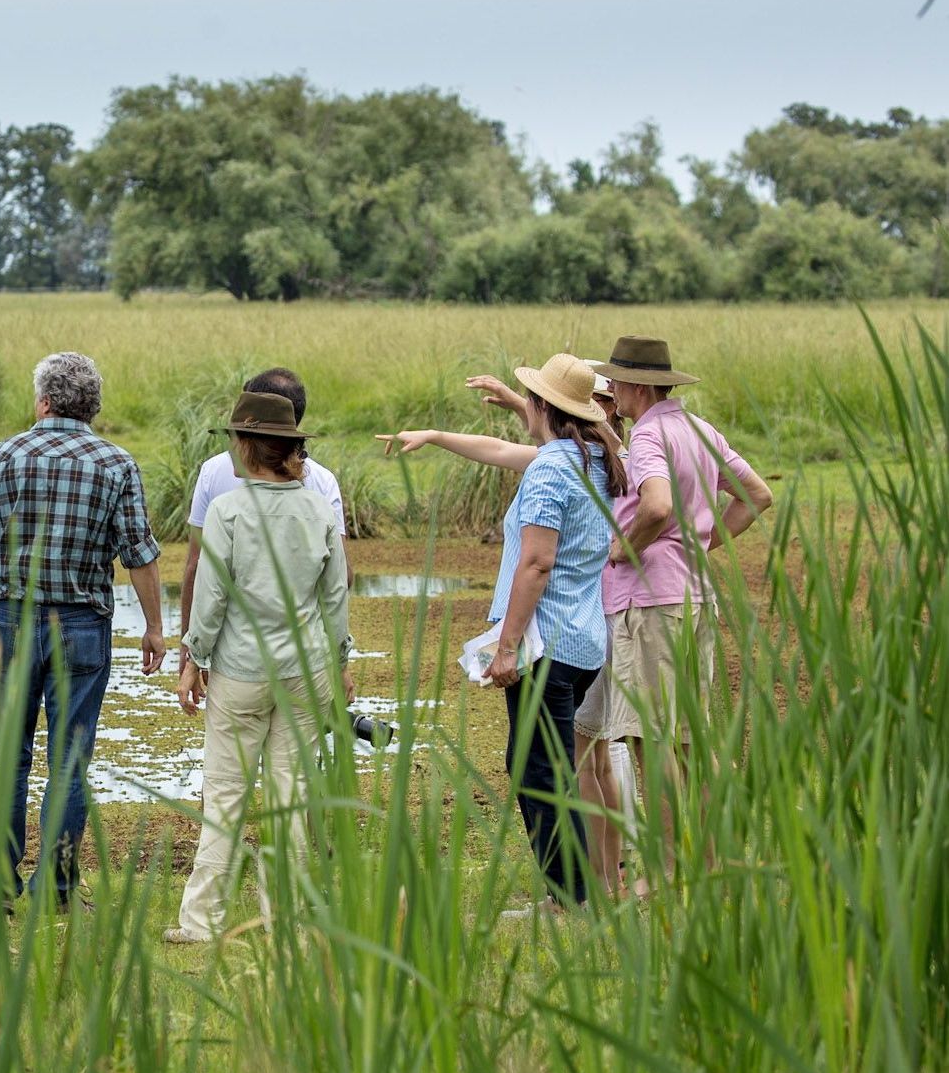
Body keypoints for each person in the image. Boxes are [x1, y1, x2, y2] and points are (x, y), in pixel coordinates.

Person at [381, 354, 623, 908]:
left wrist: (507, 646)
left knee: (541, 772)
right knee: (545, 763)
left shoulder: (551, 469)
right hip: (584, 644)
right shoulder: (596, 460)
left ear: (542, 406)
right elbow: (500, 452)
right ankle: (576, 891)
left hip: (548, 646)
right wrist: (439, 435)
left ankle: (571, 897)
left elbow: (536, 564)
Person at [0, 351, 168, 911]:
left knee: (8, 755)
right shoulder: (117, 463)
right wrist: (154, 627)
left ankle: (0, 887)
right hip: (82, 628)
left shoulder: (4, 456)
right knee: (69, 760)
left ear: (44, 400)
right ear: (92, 406)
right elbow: (138, 555)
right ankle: (58, 889)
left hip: (10, 621)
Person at [164, 390, 350, 944]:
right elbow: (335, 596)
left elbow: (212, 595)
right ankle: (285, 919)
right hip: (305, 668)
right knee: (291, 792)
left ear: (246, 448)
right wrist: (342, 661)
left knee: (225, 792)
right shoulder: (319, 508)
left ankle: (203, 922)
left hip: (241, 668)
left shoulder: (228, 510)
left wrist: (194, 657)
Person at [592, 335, 772, 884]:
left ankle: (667, 870)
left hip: (650, 600)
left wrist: (628, 546)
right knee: (692, 738)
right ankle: (720, 858)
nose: (613, 391)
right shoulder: (699, 428)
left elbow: (658, 504)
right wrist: (699, 545)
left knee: (654, 739)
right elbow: (756, 495)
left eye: (617, 381)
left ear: (639, 386)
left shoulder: (647, 434)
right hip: (694, 595)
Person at [182, 368, 350, 688]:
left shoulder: (215, 477)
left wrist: (192, 650)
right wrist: (339, 661)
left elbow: (199, 572)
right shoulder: (321, 486)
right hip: (303, 662)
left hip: (234, 660)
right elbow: (341, 580)